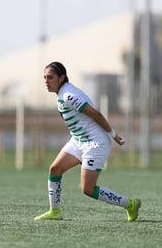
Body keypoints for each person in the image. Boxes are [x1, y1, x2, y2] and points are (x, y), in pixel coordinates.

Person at [34, 61, 141, 221]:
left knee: (87, 189)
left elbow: (96, 114)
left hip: (95, 143)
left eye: (50, 77)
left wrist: (113, 134)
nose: (46, 81)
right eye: (44, 78)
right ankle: (54, 212)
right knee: (55, 169)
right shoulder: (62, 94)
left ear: (61, 78)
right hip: (79, 140)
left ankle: (130, 204)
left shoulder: (69, 95)